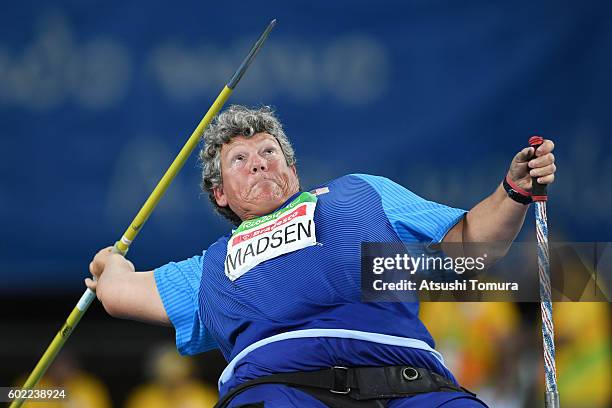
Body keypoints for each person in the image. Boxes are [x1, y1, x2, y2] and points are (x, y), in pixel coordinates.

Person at [86, 105, 556, 407]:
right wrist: (111, 265)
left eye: (268, 151)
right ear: (221, 194)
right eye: (239, 160)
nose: (258, 162)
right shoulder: (210, 264)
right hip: (278, 390)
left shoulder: (359, 194)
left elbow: (470, 248)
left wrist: (513, 191)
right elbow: (120, 293)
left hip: (411, 385)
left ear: (291, 168)